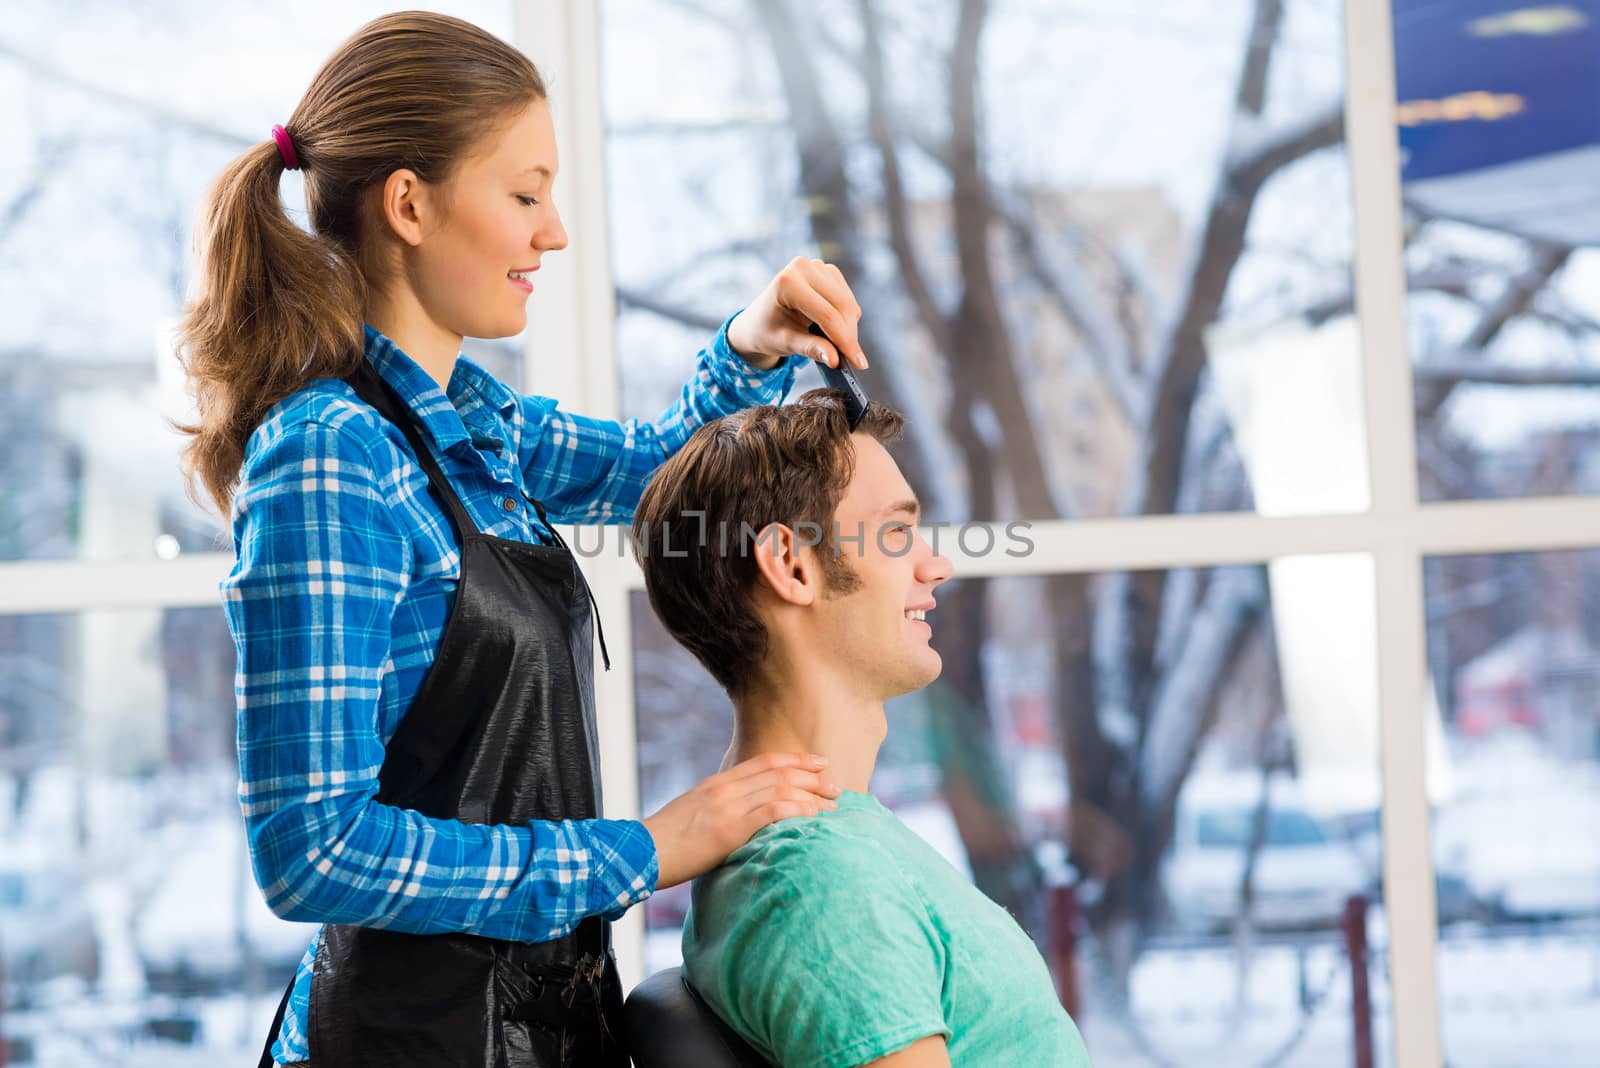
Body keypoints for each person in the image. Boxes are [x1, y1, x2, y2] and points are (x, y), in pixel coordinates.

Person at [176, 12, 864, 1067]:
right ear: (409, 203)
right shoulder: (330, 457)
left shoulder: (470, 422)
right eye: (526, 192)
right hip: (410, 1045)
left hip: (542, 1027)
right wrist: (642, 851)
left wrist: (750, 337)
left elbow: (657, 467)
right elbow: (309, 853)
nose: (555, 233)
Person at [630, 392, 1093, 1067]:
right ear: (791, 565)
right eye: (897, 533)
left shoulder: (831, 843)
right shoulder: (821, 881)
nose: (935, 566)